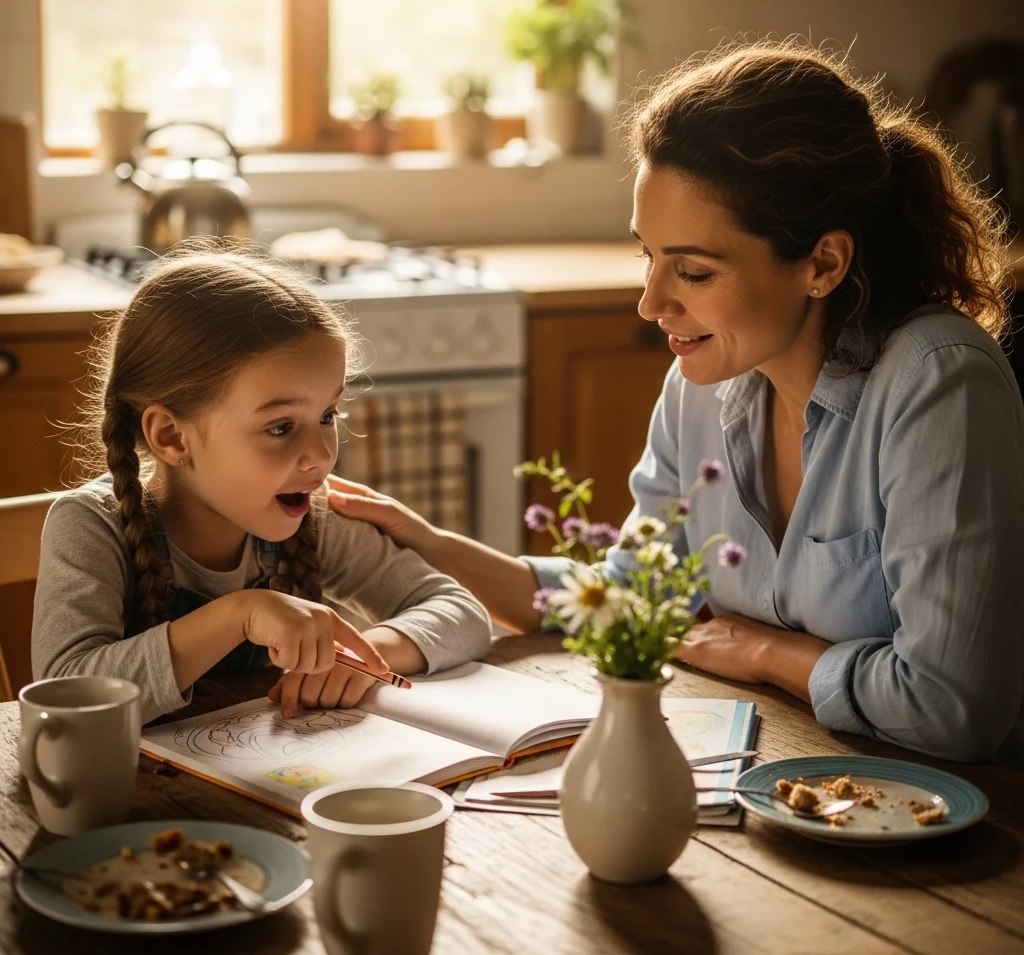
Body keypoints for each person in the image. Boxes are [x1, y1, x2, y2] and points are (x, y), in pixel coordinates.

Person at [324, 39, 1024, 767]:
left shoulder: (937, 383)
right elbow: (634, 595)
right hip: (786, 769)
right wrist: (426, 542)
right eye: (648, 257)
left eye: (691, 270)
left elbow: (951, 707)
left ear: (822, 263)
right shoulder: (707, 380)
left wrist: (760, 650)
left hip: (964, 824)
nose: (651, 302)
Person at [31, 248, 492, 725]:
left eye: (327, 416)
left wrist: (367, 655)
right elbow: (64, 695)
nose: (320, 456)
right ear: (170, 436)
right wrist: (241, 614)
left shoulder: (313, 516)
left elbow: (460, 611)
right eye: (280, 427)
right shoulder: (90, 525)